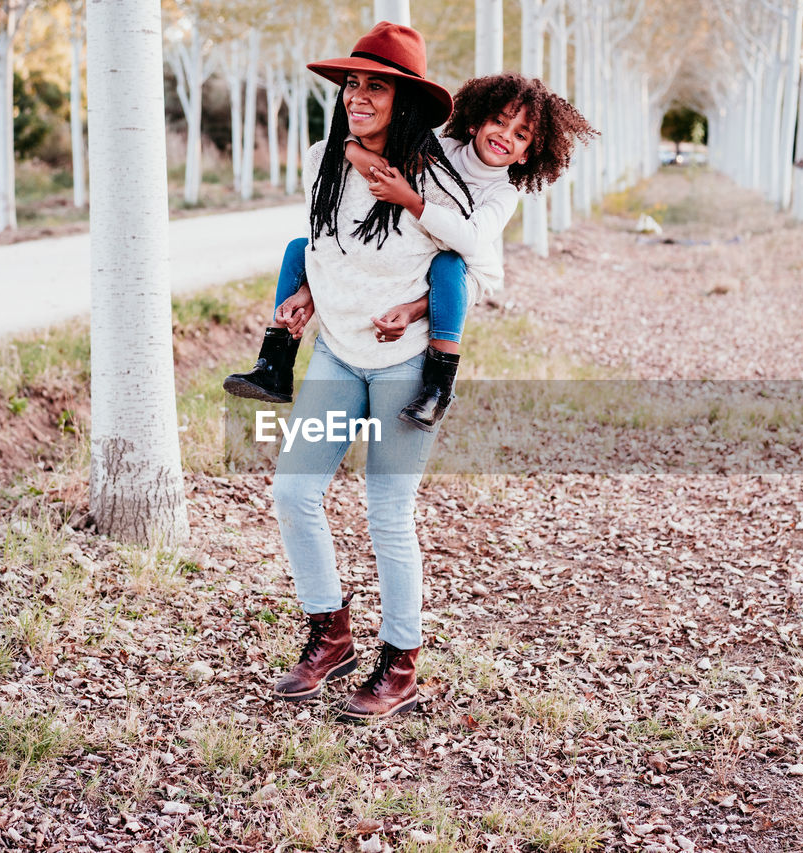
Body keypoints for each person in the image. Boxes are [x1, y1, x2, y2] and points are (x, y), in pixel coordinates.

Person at [257, 22, 474, 723]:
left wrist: (416, 309)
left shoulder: (433, 179)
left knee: (388, 515)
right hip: (336, 355)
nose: (358, 95)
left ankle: (400, 663)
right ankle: (332, 633)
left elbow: (462, 265)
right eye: (353, 83)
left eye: (375, 85)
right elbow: (328, 245)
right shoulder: (326, 156)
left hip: (404, 365)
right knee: (293, 493)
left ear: (403, 99)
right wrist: (306, 294)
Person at [348, 72, 596, 429]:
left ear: (528, 154)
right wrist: (350, 147)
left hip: (463, 271)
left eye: (520, 135)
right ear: (476, 122)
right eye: (499, 121)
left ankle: (438, 388)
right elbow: (386, 152)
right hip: (413, 261)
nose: (504, 136)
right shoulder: (441, 149)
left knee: (449, 264)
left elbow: (469, 241)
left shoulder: (503, 194)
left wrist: (411, 200)